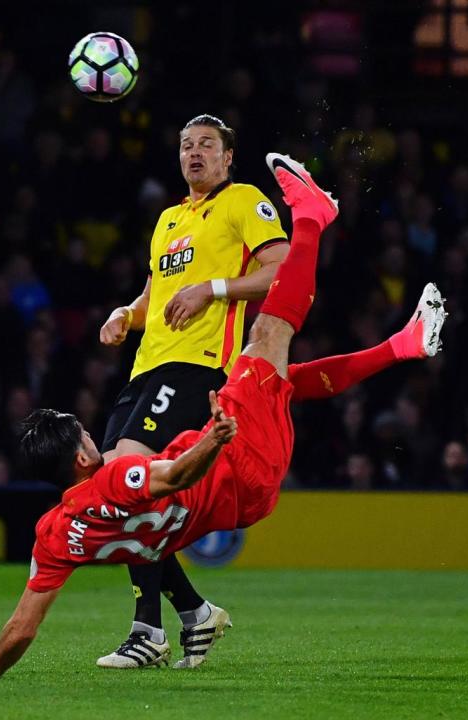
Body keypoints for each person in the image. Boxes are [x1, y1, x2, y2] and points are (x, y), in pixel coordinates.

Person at [0, 154, 445, 680]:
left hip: (239, 502)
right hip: (239, 460)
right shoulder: (116, 477)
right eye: (86, 433)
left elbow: (22, 625)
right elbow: (173, 474)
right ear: (83, 455)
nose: (95, 434)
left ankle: (403, 345)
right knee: (267, 336)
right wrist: (216, 438)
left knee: (279, 380)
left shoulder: (55, 535)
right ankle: (313, 215)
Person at [95, 114, 290, 668]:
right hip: (145, 371)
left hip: (198, 367)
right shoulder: (168, 220)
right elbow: (155, 293)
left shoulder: (243, 201)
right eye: (186, 145)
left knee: (129, 477)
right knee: (117, 490)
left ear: (229, 157)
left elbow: (281, 270)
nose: (195, 153)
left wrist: (215, 288)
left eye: (207, 145)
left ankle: (147, 632)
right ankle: (194, 613)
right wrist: (124, 314)